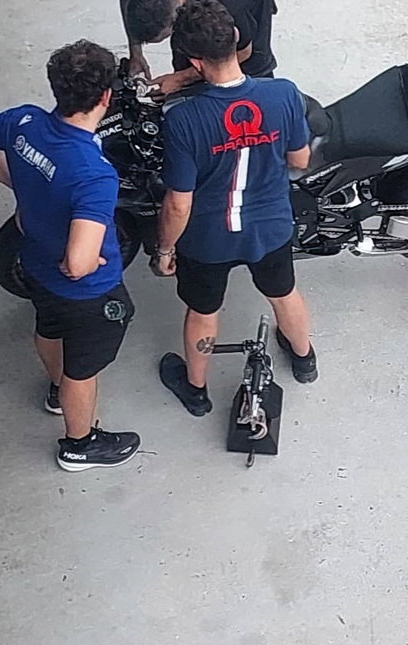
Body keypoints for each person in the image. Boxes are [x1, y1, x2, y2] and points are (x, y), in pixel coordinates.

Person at [0, 39, 142, 472]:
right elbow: (77, 263)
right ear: (106, 97)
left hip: (34, 262)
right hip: (88, 293)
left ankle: (57, 392)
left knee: (49, 325)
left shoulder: (24, 121)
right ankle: (80, 444)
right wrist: (92, 260)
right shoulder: (94, 174)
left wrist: (21, 187)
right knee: (83, 367)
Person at [149, 0, 318, 417]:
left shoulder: (183, 119)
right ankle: (304, 359)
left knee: (203, 310)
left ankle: (196, 390)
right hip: (270, 228)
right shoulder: (283, 93)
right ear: (237, 41)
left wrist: (165, 250)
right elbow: (299, 161)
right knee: (283, 293)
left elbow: (178, 202)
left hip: (208, 240)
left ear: (192, 61)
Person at [119, 0, 278, 94]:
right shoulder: (174, 10)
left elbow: (243, 52)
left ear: (176, 17)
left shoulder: (230, 7)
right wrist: (136, 51)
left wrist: (181, 78)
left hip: (247, 65)